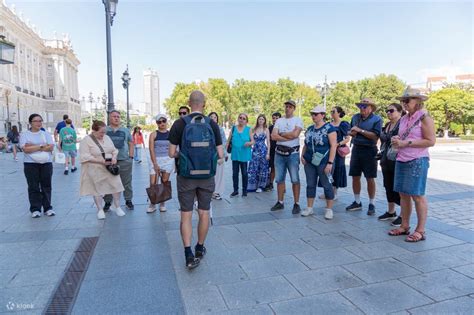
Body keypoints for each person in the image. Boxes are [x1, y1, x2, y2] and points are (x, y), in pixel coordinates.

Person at [168, 90, 224, 269]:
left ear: (188, 103)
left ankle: (188, 253)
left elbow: (171, 153)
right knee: (203, 212)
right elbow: (221, 155)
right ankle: (200, 247)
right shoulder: (211, 124)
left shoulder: (179, 123)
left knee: (185, 215)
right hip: (206, 176)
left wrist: (183, 155)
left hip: (186, 176)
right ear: (204, 104)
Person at [389, 87, 436, 242]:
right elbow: (403, 136)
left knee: (417, 195)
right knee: (403, 194)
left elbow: (431, 141)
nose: (404, 103)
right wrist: (397, 140)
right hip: (402, 158)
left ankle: (420, 230)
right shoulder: (404, 118)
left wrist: (406, 142)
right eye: (403, 100)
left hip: (417, 160)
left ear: (418, 101)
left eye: (407, 100)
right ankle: (404, 225)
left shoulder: (424, 117)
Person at [79, 120, 126, 220]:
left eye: (104, 132)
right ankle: (100, 209)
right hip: (95, 167)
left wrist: (114, 157)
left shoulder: (107, 137)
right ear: (94, 131)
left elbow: (114, 150)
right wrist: (99, 161)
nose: (103, 134)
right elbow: (84, 156)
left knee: (117, 185)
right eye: (101, 132)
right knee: (97, 189)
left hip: (110, 167)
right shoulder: (86, 140)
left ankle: (117, 206)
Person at [346, 98, 382, 215]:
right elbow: (351, 131)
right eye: (361, 106)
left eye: (365, 106)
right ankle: (357, 201)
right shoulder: (355, 117)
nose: (362, 108)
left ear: (371, 108)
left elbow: (375, 137)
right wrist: (350, 132)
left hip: (369, 150)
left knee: (370, 177)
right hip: (356, 148)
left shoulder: (377, 119)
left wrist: (360, 130)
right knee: (355, 176)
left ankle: (372, 203)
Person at [300, 106, 337, 219]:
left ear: (323, 115)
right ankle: (309, 208)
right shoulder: (310, 129)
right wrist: (302, 156)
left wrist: (330, 163)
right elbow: (306, 144)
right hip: (309, 161)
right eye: (312, 114)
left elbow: (333, 146)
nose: (313, 116)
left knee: (327, 185)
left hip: (324, 161)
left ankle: (329, 209)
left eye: (316, 114)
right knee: (310, 184)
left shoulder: (329, 128)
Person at [270, 100, 304, 214]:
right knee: (279, 179)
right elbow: (273, 136)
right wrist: (287, 137)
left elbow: (295, 134)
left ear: (294, 108)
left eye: (290, 107)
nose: (287, 108)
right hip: (279, 153)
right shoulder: (279, 120)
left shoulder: (298, 120)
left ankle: (296, 203)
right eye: (286, 106)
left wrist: (282, 134)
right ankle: (280, 202)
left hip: (293, 154)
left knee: (295, 179)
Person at [19, 114, 55, 218]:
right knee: (33, 186)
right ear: (30, 123)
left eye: (40, 121)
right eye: (36, 121)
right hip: (30, 164)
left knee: (46, 186)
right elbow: (25, 149)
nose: (39, 123)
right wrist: (42, 146)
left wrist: (33, 146)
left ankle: (48, 208)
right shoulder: (25, 135)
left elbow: (51, 147)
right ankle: (35, 209)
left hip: (46, 163)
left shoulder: (46, 134)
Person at [103, 110, 135, 211]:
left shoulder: (125, 130)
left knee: (126, 182)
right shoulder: (105, 130)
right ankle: (107, 202)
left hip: (124, 160)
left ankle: (128, 200)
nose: (116, 118)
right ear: (109, 118)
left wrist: (131, 156)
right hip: (109, 160)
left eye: (118, 116)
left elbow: (131, 143)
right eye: (114, 116)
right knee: (109, 181)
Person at [378, 103, 403, 226]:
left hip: (398, 159)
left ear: (399, 112)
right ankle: (391, 211)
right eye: (386, 111)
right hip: (385, 159)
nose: (388, 113)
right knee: (388, 185)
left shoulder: (402, 124)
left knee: (399, 187)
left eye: (391, 110)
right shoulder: (388, 125)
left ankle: (403, 215)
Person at [319, 106, 350, 200]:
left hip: (338, 152)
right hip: (328, 151)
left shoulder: (343, 124)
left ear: (339, 113)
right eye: (331, 111)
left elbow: (347, 138)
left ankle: (334, 192)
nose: (332, 113)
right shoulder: (328, 124)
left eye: (333, 111)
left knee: (336, 171)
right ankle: (327, 191)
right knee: (328, 170)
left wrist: (337, 144)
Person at [147, 114, 175, 213]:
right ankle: (153, 202)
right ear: (157, 123)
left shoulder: (171, 133)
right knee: (153, 182)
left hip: (168, 159)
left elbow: (175, 147)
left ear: (166, 121)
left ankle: (163, 202)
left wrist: (175, 162)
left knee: (164, 180)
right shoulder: (153, 134)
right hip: (155, 159)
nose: (162, 123)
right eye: (159, 122)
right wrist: (155, 163)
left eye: (163, 121)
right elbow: (151, 149)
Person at [227, 113, 253, 197]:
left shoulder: (248, 129)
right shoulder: (234, 128)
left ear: (246, 121)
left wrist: (249, 143)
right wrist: (224, 153)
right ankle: (235, 190)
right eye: (240, 118)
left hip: (244, 154)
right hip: (235, 154)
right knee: (235, 173)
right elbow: (228, 141)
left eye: (244, 118)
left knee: (244, 173)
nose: (241, 119)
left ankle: (244, 190)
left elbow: (253, 141)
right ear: (238, 119)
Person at [247, 114, 270, 192]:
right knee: (253, 168)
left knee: (262, 168)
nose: (261, 121)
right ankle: (252, 186)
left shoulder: (266, 130)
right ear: (257, 120)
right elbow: (251, 140)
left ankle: (260, 186)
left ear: (264, 121)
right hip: (255, 150)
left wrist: (268, 153)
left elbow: (268, 142)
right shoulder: (253, 129)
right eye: (260, 119)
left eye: (262, 119)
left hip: (263, 150)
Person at [209, 112, 228, 200]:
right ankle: (210, 191)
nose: (213, 118)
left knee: (219, 174)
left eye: (215, 117)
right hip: (209, 155)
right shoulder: (206, 128)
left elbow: (224, 142)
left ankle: (216, 192)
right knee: (211, 175)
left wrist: (223, 155)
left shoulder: (220, 129)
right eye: (211, 117)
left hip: (218, 155)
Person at [265, 112, 281, 191]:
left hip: (279, 150)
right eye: (273, 118)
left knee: (275, 168)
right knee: (269, 167)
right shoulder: (270, 128)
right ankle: (269, 183)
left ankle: (279, 184)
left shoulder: (282, 128)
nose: (274, 119)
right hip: (270, 150)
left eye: (276, 118)